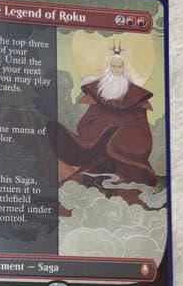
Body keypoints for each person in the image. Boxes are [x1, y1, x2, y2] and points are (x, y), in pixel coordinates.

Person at [49, 44, 157, 187]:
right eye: (114, 67)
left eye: (119, 67)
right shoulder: (98, 92)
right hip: (97, 148)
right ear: (109, 68)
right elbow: (89, 120)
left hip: (122, 148)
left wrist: (120, 132)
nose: (117, 70)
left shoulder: (137, 97)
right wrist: (105, 129)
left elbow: (140, 126)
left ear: (124, 69)